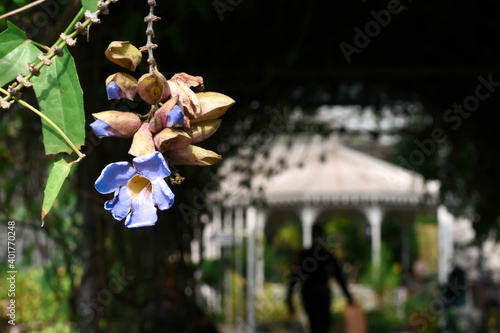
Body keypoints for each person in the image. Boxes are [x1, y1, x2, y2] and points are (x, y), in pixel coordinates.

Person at [286, 224, 353, 333]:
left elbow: (338, 275)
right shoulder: (307, 254)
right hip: (314, 294)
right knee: (317, 324)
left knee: (321, 324)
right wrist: (289, 297)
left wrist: (289, 297)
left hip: (317, 294)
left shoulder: (323, 255)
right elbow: (294, 276)